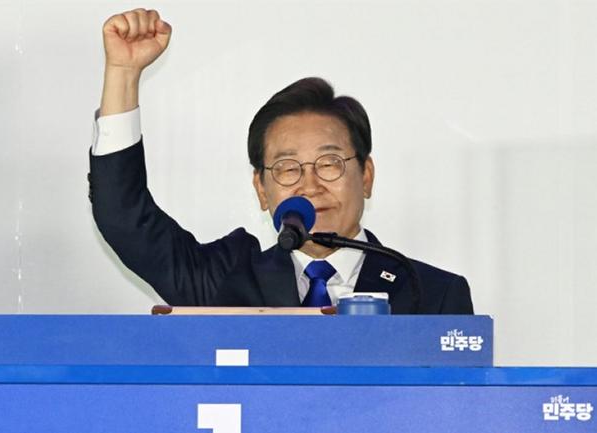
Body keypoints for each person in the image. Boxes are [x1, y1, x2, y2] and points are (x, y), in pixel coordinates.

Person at [88, 8, 474, 314]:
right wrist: (123, 73)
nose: (310, 186)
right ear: (261, 189)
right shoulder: (226, 282)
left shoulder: (433, 295)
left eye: (329, 163)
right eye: (288, 168)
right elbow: (124, 218)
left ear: (366, 176)